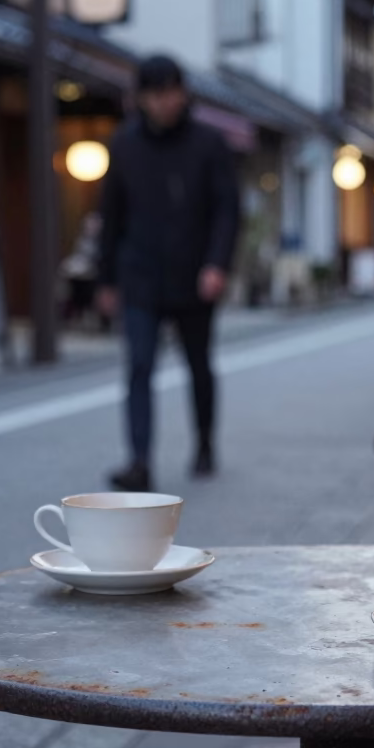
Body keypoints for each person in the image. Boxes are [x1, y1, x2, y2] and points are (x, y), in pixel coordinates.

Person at [96, 55, 240, 493]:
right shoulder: (124, 145)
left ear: (183, 93)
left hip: (195, 275)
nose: (164, 102)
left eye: (171, 92)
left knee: (198, 365)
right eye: (155, 94)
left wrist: (217, 263)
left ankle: (204, 444)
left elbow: (226, 211)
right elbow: (111, 215)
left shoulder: (209, 143)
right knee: (139, 367)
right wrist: (106, 280)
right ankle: (139, 460)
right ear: (141, 97)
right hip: (140, 273)